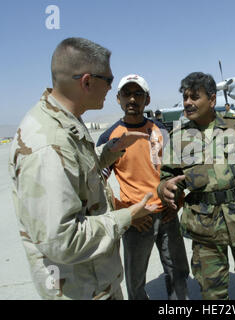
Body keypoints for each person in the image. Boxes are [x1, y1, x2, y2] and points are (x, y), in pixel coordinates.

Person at [8, 37, 157, 300]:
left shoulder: (66, 124)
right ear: (87, 82)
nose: (112, 89)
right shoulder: (48, 145)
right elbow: (61, 240)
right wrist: (127, 216)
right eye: (109, 81)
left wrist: (108, 152)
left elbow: (76, 170)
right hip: (81, 290)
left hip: (96, 282)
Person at [157, 72, 235, 300]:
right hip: (205, 230)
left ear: (211, 100)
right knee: (213, 295)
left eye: (194, 97)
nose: (188, 102)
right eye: (185, 97)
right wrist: (164, 189)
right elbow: (166, 177)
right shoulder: (179, 137)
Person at [97, 74, 189, 300]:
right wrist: (126, 213)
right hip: (137, 221)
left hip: (167, 215)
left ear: (147, 100)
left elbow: (175, 170)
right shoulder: (110, 138)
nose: (132, 99)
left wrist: (176, 202)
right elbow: (99, 182)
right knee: (135, 281)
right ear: (118, 99)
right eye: (127, 94)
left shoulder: (160, 131)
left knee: (177, 272)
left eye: (138, 94)